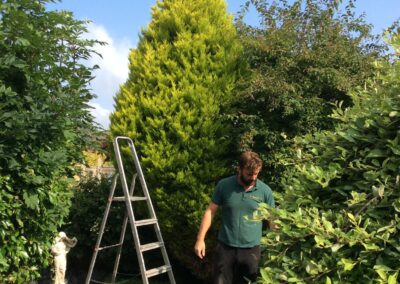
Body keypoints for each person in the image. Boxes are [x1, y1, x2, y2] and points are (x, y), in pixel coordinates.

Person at [194, 151, 275, 284]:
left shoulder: (265, 191)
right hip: (225, 248)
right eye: (249, 174)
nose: (254, 177)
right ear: (239, 169)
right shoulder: (224, 185)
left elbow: (272, 220)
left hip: (251, 250)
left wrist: (278, 245)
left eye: (256, 174)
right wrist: (200, 239)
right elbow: (210, 211)